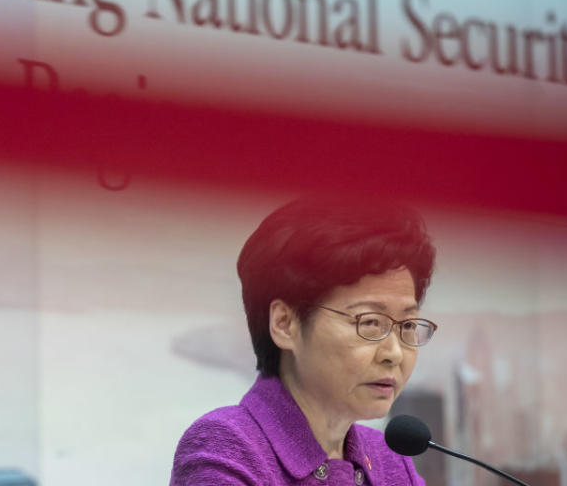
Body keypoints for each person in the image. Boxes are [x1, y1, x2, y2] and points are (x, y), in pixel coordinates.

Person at [170, 197, 437, 485]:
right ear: (285, 324)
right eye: (370, 322)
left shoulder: (390, 459)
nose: (394, 353)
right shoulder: (226, 446)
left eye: (407, 325)